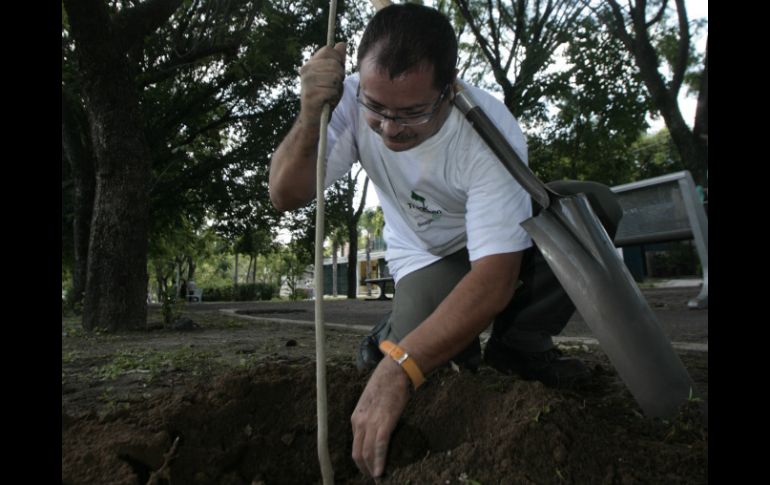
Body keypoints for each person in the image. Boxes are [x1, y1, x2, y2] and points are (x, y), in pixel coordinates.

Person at [269, 3, 621, 479]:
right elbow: (285, 194)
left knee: (590, 213)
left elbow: (494, 281)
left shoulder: (487, 132)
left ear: (449, 88)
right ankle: (389, 335)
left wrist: (398, 370)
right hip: (422, 254)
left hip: (494, 249)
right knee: (428, 366)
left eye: (413, 111)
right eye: (377, 109)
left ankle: (519, 345)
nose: (391, 128)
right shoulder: (349, 100)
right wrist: (311, 115)